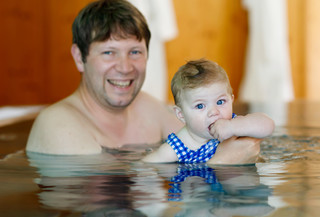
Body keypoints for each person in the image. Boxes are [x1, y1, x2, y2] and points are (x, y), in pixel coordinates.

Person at [26, 0, 263, 165]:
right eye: (109, 52)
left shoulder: (150, 108)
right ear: (80, 57)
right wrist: (221, 163)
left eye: (135, 52)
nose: (125, 66)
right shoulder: (58, 125)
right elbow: (103, 195)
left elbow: (207, 142)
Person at [143, 59, 274, 163]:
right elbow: (145, 166)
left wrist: (233, 127)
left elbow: (268, 126)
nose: (214, 112)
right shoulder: (178, 147)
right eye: (200, 106)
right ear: (181, 114)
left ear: (232, 99)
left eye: (221, 102)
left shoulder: (235, 123)